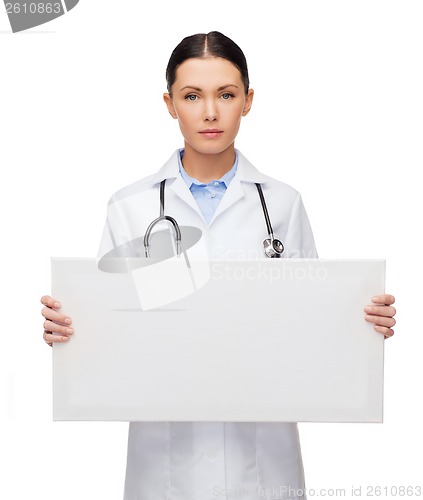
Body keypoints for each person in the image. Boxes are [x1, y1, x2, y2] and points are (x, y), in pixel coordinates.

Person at [40, 31, 396, 500]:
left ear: (248, 101)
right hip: (163, 467)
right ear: (169, 104)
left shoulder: (283, 205)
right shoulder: (129, 207)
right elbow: (111, 328)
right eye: (192, 96)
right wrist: (68, 329)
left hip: (263, 464)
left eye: (226, 95)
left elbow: (309, 322)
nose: (210, 112)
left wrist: (361, 322)